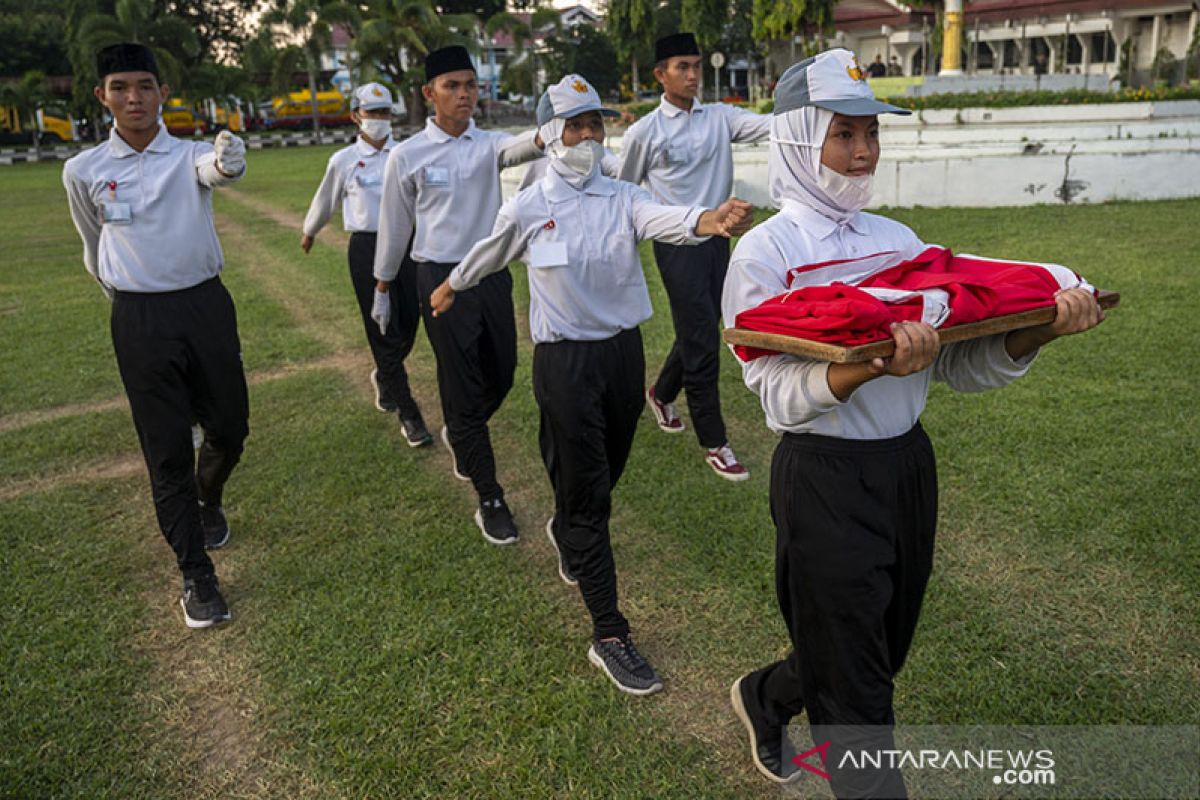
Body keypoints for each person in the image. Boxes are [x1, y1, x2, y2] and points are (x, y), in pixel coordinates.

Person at [721, 49, 1105, 792]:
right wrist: (869, 366)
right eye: (843, 134)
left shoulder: (898, 243)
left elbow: (959, 364)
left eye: (871, 133)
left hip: (905, 468)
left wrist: (1038, 330)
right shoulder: (765, 251)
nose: (863, 152)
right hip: (824, 477)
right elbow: (772, 394)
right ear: (800, 139)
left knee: (878, 648)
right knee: (860, 700)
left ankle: (767, 695)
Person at [429, 74, 755, 695]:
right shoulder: (529, 205)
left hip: (621, 358)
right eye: (575, 125)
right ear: (550, 134)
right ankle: (609, 633)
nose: (587, 136)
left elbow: (668, 217)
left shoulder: (622, 196)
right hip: (564, 364)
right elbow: (489, 251)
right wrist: (452, 285)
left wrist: (709, 219)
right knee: (590, 498)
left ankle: (566, 523)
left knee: (606, 470)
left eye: (595, 125)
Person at [62, 43, 252, 629]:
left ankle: (209, 497)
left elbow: (214, 171)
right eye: (121, 87)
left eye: (145, 85)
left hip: (204, 307)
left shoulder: (190, 155)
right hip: (139, 319)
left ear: (162, 92)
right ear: (103, 96)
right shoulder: (84, 170)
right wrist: (123, 296)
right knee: (166, 448)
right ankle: (197, 577)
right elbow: (92, 243)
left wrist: (229, 162)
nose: (134, 98)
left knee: (229, 427)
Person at [371, 45, 544, 544]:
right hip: (439, 279)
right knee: (462, 382)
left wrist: (552, 132)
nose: (464, 94)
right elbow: (394, 227)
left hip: (490, 274)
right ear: (430, 94)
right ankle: (490, 496)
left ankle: (462, 431)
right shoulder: (407, 156)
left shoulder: (489, 145)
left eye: (470, 85)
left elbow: (523, 147)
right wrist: (384, 285)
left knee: (504, 372)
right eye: (453, 85)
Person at [618, 32, 770, 482]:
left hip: (719, 239)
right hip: (676, 245)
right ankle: (715, 442)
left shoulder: (719, 118)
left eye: (696, 66)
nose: (691, 75)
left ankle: (662, 394)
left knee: (701, 325)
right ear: (660, 74)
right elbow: (624, 193)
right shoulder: (645, 131)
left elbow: (770, 127)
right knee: (703, 338)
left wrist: (819, 112)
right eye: (681, 67)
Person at [300, 82, 432, 447]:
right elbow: (325, 199)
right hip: (366, 248)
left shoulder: (404, 154)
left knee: (409, 322)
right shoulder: (343, 161)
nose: (379, 120)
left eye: (385, 113)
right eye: (372, 113)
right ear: (355, 116)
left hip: (407, 244)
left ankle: (385, 375)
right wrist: (310, 230)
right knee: (382, 327)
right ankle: (409, 414)